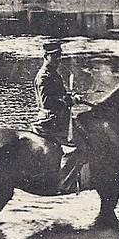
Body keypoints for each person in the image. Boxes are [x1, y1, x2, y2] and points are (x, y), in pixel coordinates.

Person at [32, 40, 86, 190]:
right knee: (79, 146)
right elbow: (47, 103)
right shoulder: (43, 77)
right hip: (50, 121)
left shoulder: (53, 74)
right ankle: (65, 181)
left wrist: (72, 96)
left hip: (59, 118)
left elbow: (60, 94)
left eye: (59, 56)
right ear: (46, 56)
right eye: (55, 56)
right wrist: (69, 101)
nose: (58, 59)